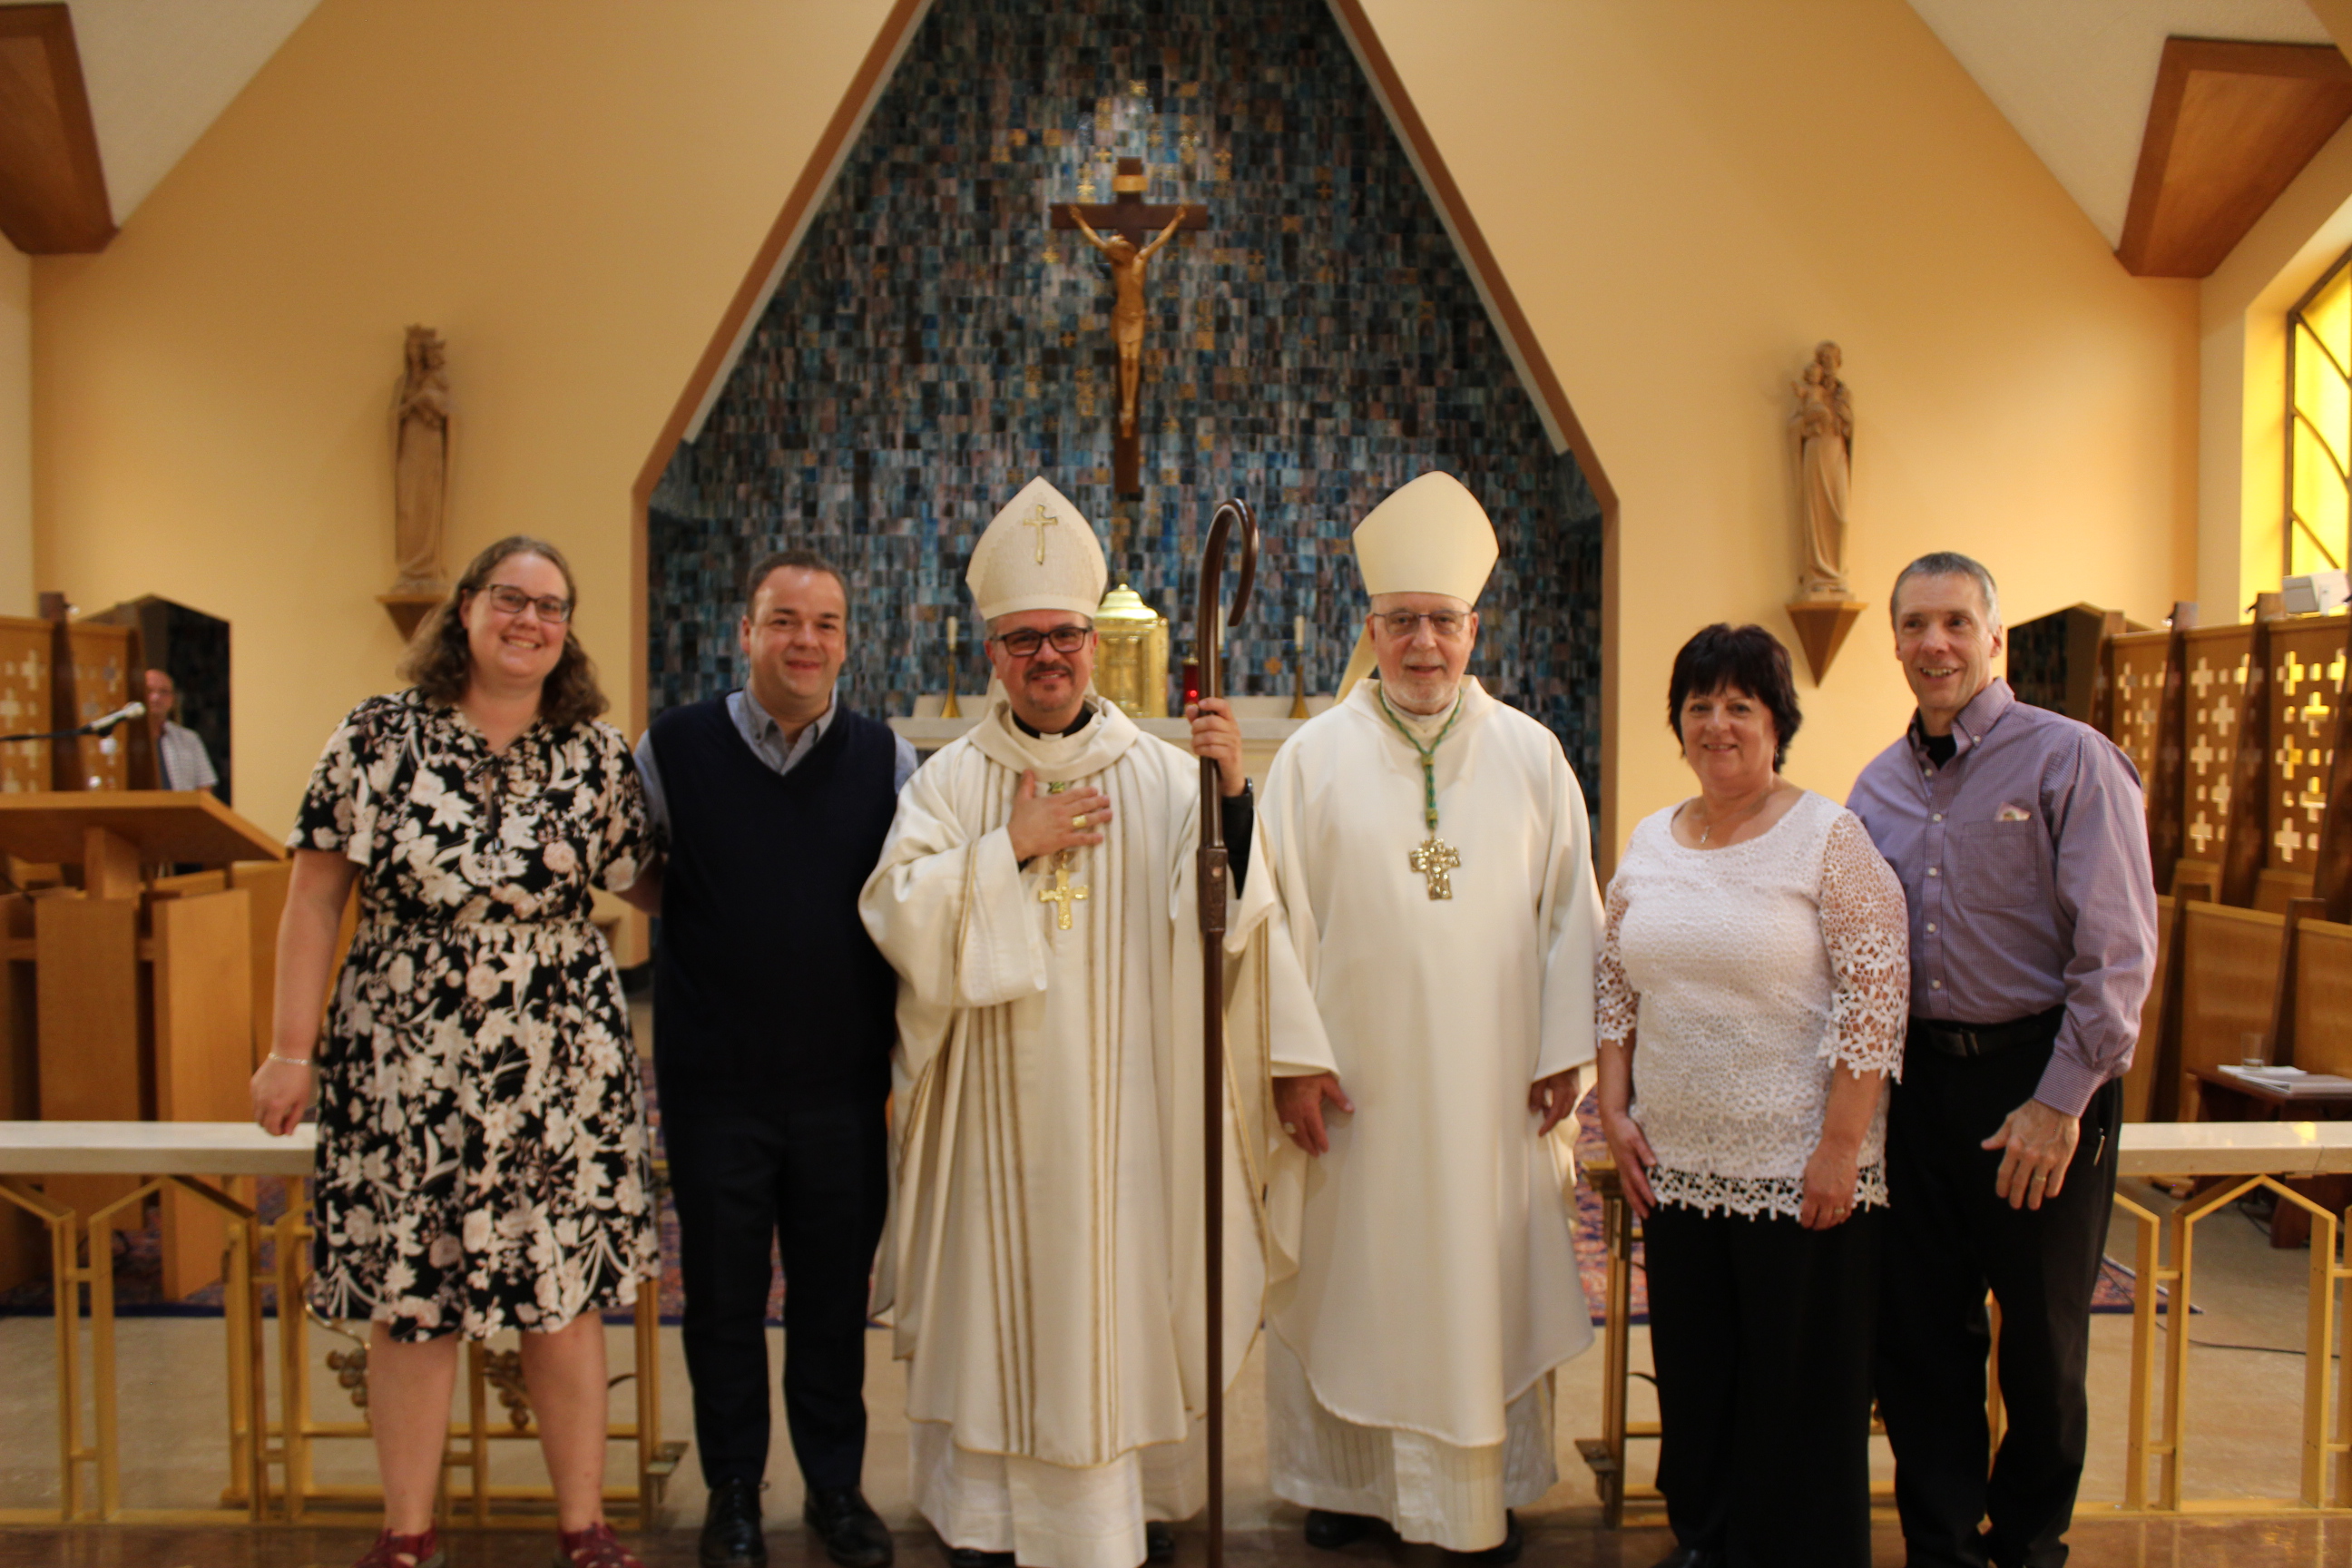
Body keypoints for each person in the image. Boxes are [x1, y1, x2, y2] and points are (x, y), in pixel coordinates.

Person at [856, 475, 1272, 1568]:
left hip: (1133, 1117)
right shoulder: (950, 785)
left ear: (1099, 646)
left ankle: (1127, 1505)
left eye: (1066, 637)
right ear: (992, 653)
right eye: (1023, 640)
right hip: (992, 1120)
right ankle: (990, 1517)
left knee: (1127, 1294)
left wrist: (1231, 798)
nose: (1048, 657)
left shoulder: (1169, 778)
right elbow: (896, 913)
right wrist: (1008, 849)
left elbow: (1232, 922)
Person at [250, 536, 661, 1568]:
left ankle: (584, 1522)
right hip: (405, 1050)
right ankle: (406, 1528)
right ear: (467, 608)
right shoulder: (375, 736)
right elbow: (312, 901)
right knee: (413, 1294)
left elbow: (655, 886)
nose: (530, 622)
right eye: (511, 600)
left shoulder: (594, 750)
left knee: (560, 1294)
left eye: (551, 608)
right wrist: (289, 1051)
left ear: (568, 631)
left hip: (558, 1057)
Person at [1227, 470, 1600, 1563]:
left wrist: (1562, 1052)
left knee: (1479, 1275)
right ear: (1372, 630)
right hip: (1356, 1095)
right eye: (1402, 623)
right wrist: (1291, 1060)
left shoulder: (1533, 755)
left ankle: (1485, 1490)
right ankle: (1345, 1485)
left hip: (1493, 1094)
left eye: (1442, 621)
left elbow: (1570, 911)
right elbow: (1268, 922)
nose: (1424, 644)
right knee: (1360, 1282)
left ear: (1473, 628)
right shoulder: (1310, 760)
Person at [1847, 553, 2156, 1568]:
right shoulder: (1877, 785)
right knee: (1923, 1337)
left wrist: (2060, 1103)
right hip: (1922, 1083)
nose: (1934, 643)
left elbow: (2116, 956)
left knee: (2042, 1340)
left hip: (2042, 1077)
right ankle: (1940, 1544)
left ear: (1996, 639)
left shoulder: (2070, 760)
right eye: (1914, 625)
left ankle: (2027, 1544)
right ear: (1894, 641)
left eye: (1954, 622)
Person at [625, 550, 917, 1568]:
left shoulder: (887, 761)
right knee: (722, 1298)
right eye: (783, 621)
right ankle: (735, 1492)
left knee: (835, 1300)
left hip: (841, 1082)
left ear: (847, 640)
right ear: (745, 633)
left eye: (826, 624)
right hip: (716, 1082)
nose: (805, 641)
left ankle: (836, 1489)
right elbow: (636, 869)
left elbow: (906, 897)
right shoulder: (673, 748)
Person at [1594, 623, 1908, 1568]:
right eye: (1700, 707)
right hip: (1679, 1163)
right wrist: (1613, 1110)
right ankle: (1708, 1534)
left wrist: (1842, 1147)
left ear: (1778, 723)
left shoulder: (1830, 840)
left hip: (1798, 1163)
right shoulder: (1654, 838)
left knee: (1796, 1377)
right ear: (1678, 725)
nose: (1718, 725)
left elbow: (1875, 999)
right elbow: (1614, 982)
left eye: (1741, 706)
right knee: (1699, 1369)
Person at [145, 667, 220, 796]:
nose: (155, 697)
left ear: (172, 699)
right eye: (148, 691)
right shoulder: (122, 737)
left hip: (179, 814)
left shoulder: (189, 739)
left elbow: (205, 789)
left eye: (164, 692)